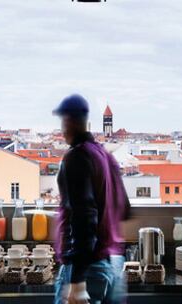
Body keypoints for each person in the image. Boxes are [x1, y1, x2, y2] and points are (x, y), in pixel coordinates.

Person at [53, 94, 131, 304]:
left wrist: (77, 282)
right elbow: (124, 209)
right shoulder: (105, 155)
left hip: (86, 269)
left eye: (63, 121)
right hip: (112, 264)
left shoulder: (76, 157)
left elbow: (84, 219)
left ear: (69, 121)